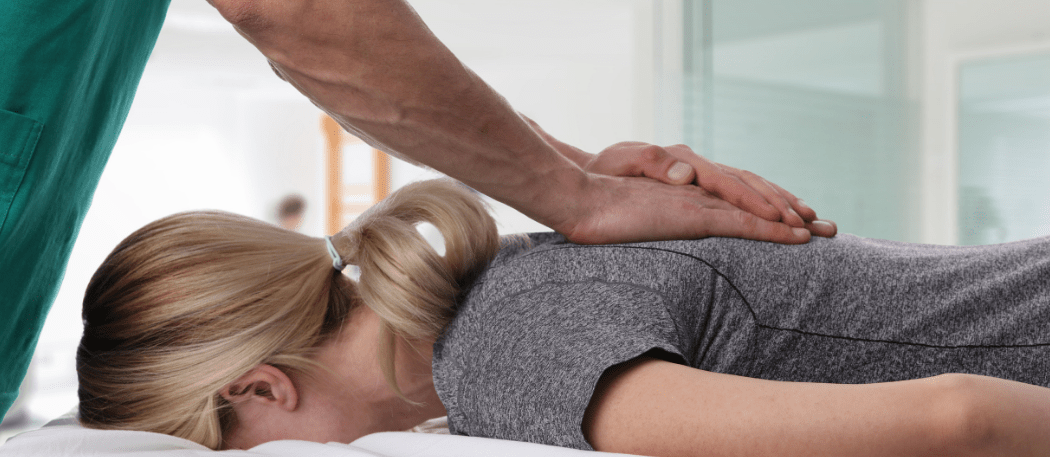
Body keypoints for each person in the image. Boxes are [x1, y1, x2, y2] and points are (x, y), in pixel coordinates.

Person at [0, 0, 835, 420]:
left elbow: (315, 16)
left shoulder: (523, 349)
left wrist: (569, 167)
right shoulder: (517, 347)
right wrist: (573, 194)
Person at [77, 179, 1050, 456]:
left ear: (258, 388)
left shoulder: (506, 364)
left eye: (230, 451)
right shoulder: (508, 282)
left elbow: (957, 421)